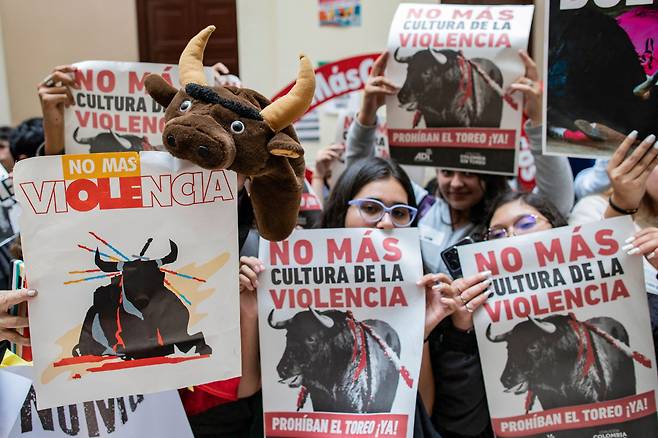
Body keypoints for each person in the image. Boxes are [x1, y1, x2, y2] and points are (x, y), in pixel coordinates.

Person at [240, 156, 491, 437]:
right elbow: (248, 388)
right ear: (341, 209)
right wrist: (249, 309)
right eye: (371, 208)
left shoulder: (424, 288)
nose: (385, 222)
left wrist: (419, 330)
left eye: (399, 213)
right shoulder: (287, 273)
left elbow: (421, 411)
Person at [345, 50, 574, 274]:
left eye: (468, 173)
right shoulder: (420, 207)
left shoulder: (505, 221)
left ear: (489, 172)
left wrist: (538, 123)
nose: (455, 183)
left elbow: (557, 202)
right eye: (446, 172)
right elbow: (361, 178)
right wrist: (366, 116)